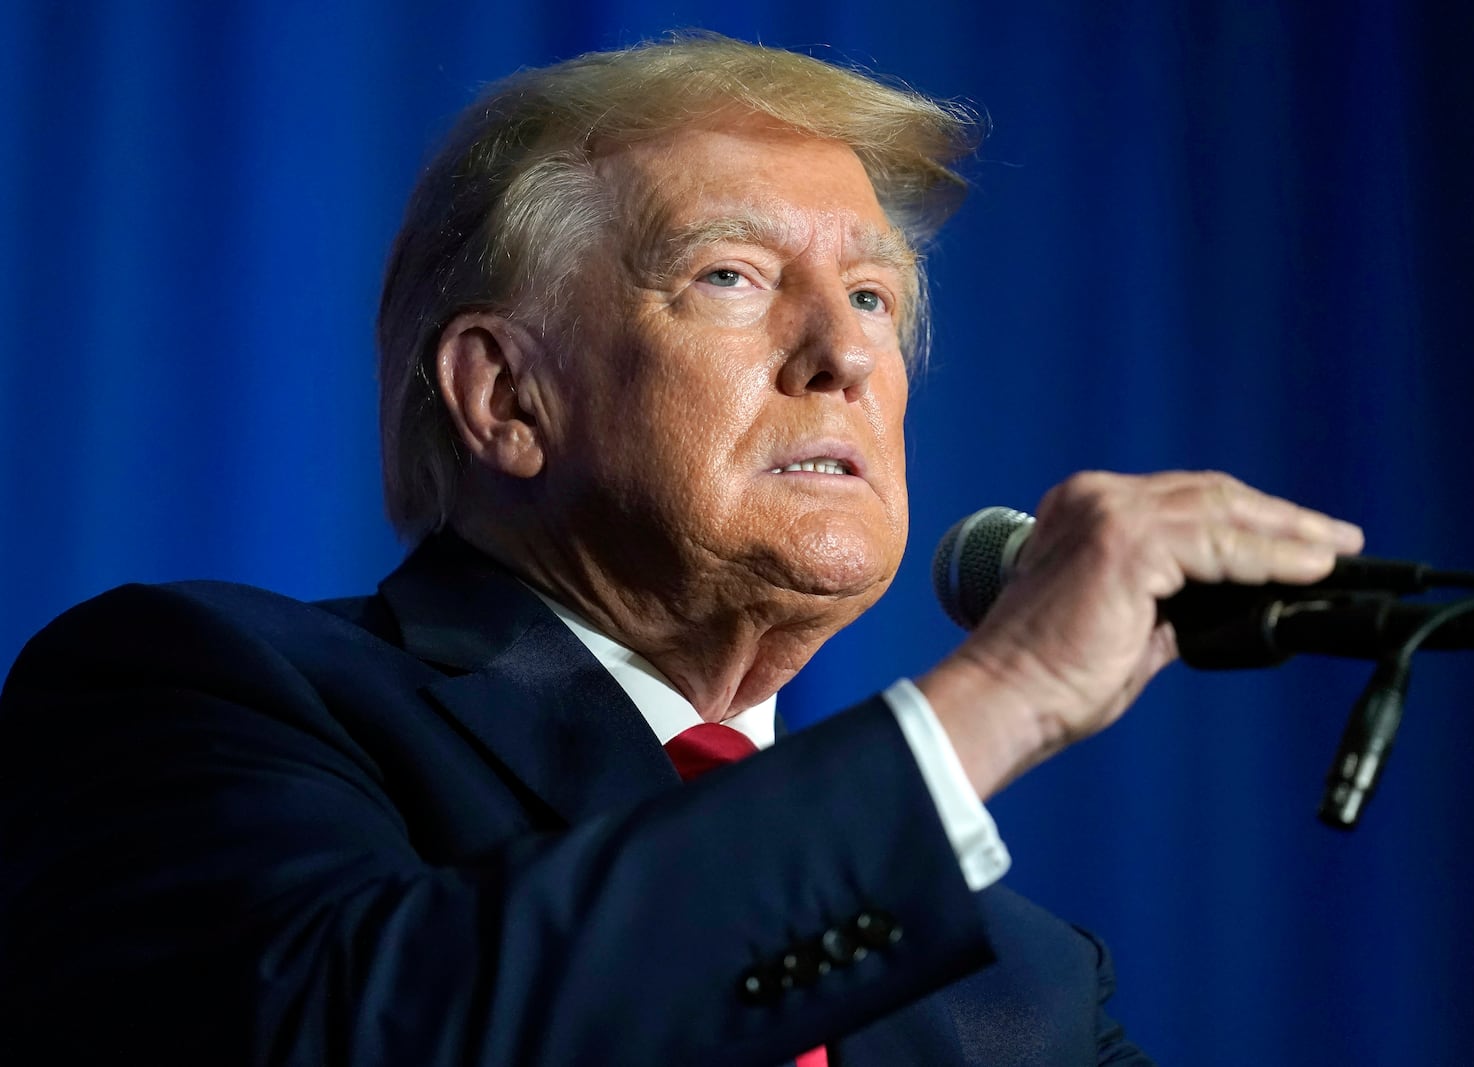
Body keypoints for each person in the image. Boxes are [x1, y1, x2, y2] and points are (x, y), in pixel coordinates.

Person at [1, 33, 1392, 1065]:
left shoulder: (1016, 983)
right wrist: (1008, 693)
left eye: (872, 297)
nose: (846, 353)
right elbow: (363, 1036)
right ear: (506, 395)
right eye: (732, 278)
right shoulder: (204, 693)